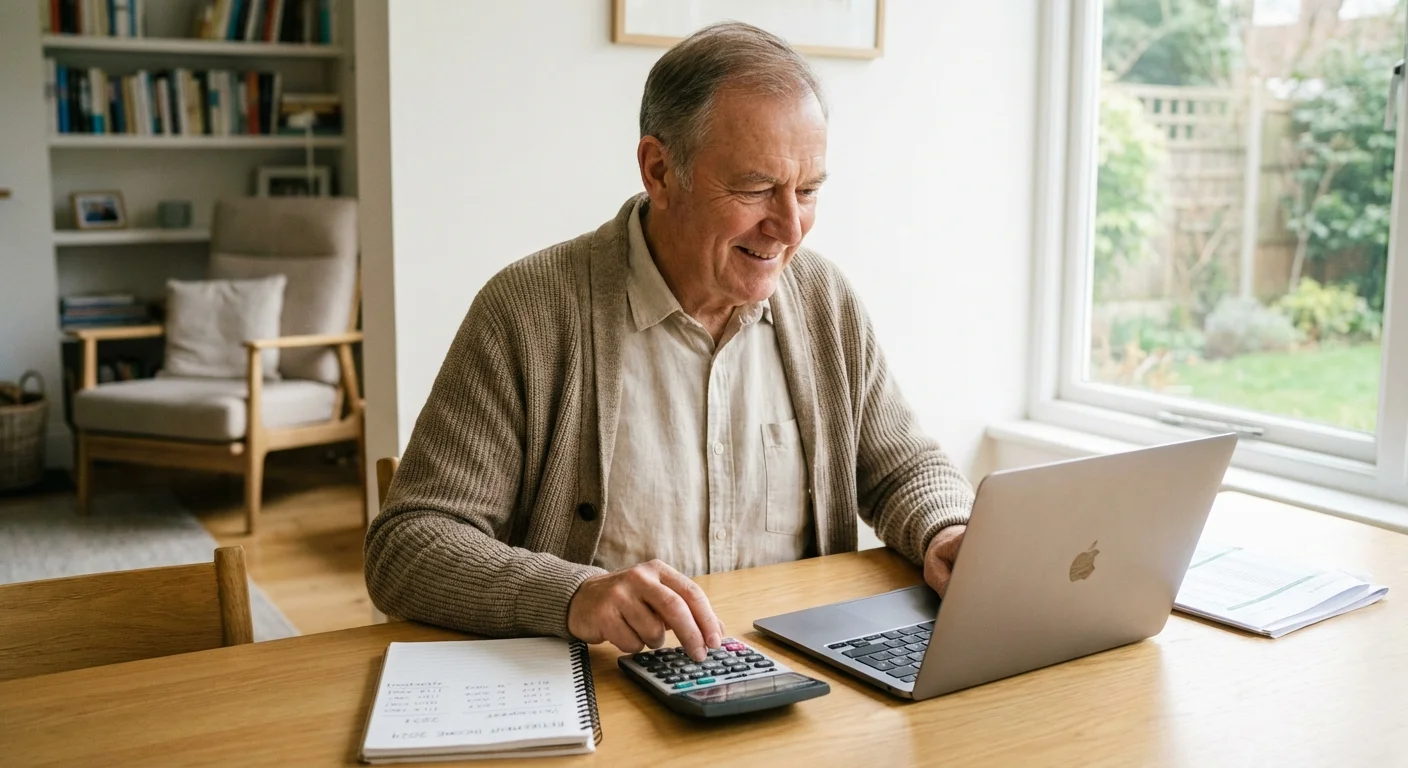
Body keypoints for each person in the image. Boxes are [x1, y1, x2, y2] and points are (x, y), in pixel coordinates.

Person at [366, 22, 975, 664]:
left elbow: (901, 466)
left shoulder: (824, 299)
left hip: (798, 688)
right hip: (606, 695)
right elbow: (409, 545)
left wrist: (948, 531)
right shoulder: (528, 311)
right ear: (659, 170)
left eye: (808, 190)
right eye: (756, 188)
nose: (789, 228)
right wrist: (576, 593)